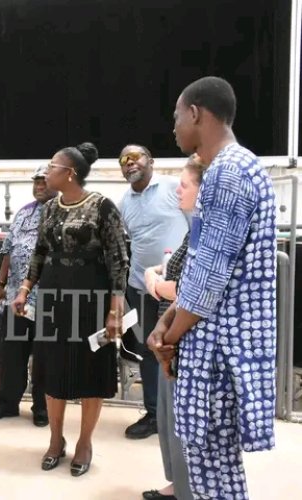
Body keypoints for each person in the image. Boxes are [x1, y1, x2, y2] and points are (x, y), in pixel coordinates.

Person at [150, 76, 276, 500]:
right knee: (218, 474)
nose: (173, 127)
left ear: (195, 113)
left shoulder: (227, 172)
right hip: (217, 342)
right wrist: (168, 321)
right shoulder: (239, 166)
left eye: (176, 117)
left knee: (212, 478)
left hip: (218, 352)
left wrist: (169, 336)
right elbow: (201, 265)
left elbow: (208, 280)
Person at [12, 142, 129, 476]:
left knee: (91, 369)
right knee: (52, 367)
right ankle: (55, 439)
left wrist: (115, 309)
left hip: (92, 296)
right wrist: (25, 289)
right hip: (53, 295)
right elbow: (40, 251)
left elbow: (119, 258)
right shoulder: (50, 207)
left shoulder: (102, 206)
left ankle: (84, 443)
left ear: (70, 173)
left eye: (52, 166)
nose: (47, 171)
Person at [141, 154, 206, 500]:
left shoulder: (208, 232)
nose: (178, 191)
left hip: (185, 334)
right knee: (169, 418)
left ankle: (188, 488)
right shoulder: (194, 228)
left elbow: (191, 289)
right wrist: (158, 275)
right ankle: (176, 483)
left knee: (184, 422)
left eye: (184, 185)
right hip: (170, 327)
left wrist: (157, 284)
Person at [118, 143, 189, 439]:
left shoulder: (174, 188)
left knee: (181, 350)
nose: (129, 162)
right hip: (140, 286)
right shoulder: (124, 202)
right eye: (124, 159)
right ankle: (154, 414)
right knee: (149, 349)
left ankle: (183, 417)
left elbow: (195, 231)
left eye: (135, 157)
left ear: (151, 161)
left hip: (176, 289)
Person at [0, 164, 53, 427]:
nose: (39, 186)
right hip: (15, 297)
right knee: (11, 353)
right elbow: (8, 249)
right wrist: (0, 282)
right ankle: (6, 404)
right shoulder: (23, 213)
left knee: (44, 355)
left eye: (44, 181)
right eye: (36, 182)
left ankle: (42, 407)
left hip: (47, 299)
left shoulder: (63, 212)